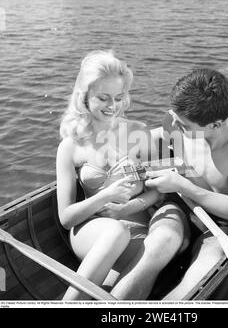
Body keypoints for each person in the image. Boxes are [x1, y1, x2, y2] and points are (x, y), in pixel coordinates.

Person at [56, 50, 187, 300]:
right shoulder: (70, 146)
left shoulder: (138, 133)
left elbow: (158, 191)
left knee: (119, 289)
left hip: (136, 229)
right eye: (103, 98)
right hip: (90, 231)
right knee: (114, 233)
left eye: (118, 97)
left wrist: (128, 209)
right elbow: (66, 218)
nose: (112, 106)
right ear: (84, 97)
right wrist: (106, 196)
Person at [146, 68, 228, 299]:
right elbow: (150, 136)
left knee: (204, 269)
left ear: (215, 125)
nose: (174, 125)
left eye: (184, 126)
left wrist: (182, 185)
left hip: (223, 221)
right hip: (182, 204)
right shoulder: (177, 120)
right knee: (155, 246)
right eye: (174, 116)